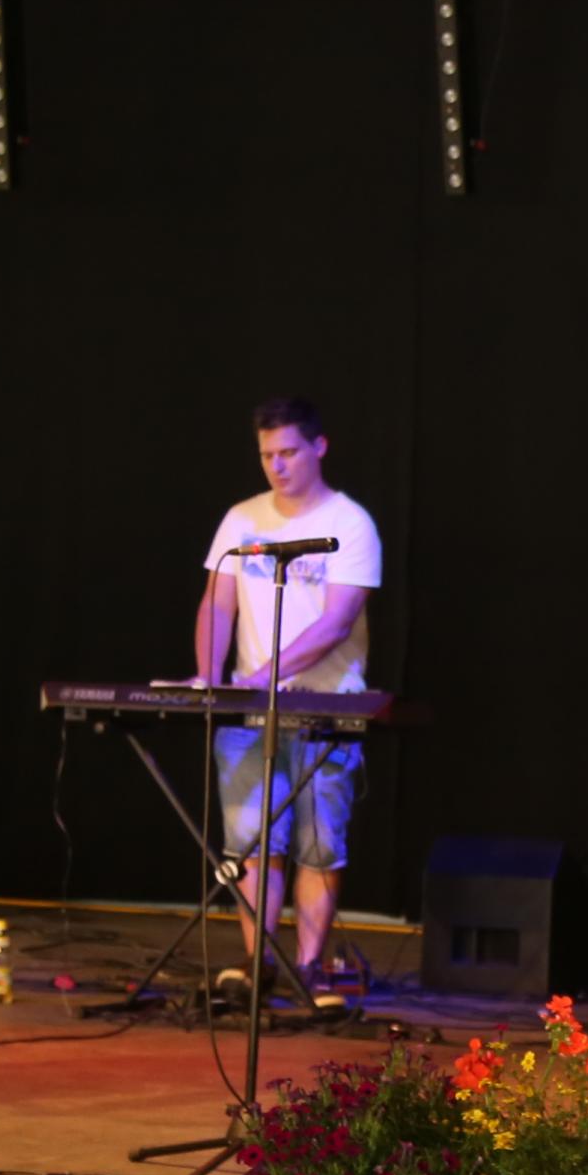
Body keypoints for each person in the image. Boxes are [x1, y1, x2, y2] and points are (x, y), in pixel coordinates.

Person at [193, 397, 384, 1011]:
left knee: (318, 846)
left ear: (319, 448)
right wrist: (211, 679)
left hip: (326, 707)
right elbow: (217, 603)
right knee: (252, 843)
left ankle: (308, 969)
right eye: (266, 455)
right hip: (251, 709)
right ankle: (258, 966)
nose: (276, 466)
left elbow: (336, 622)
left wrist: (265, 677)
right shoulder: (242, 519)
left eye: (288, 452)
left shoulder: (350, 523)